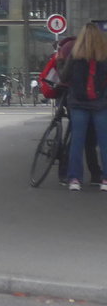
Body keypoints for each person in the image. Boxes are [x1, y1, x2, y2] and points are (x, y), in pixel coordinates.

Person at [59, 22, 107, 192]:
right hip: (101, 104)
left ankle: (74, 179)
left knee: (77, 143)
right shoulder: (104, 55)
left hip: (78, 104)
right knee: (104, 143)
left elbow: (64, 77)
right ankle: (105, 180)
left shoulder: (75, 55)